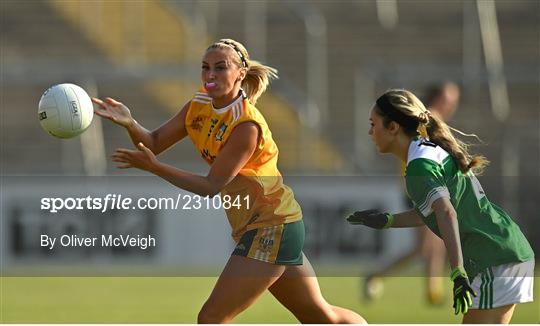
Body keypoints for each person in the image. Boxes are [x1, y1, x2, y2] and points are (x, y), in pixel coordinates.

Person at [92, 39, 366, 324]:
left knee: (211, 318)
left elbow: (211, 186)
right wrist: (129, 123)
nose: (210, 75)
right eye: (205, 68)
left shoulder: (246, 125)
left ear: (240, 73)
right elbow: (154, 141)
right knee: (323, 317)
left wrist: (154, 168)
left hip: (272, 226)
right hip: (266, 227)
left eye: (220, 68)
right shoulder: (198, 104)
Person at [347, 89, 534, 323]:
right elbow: (433, 212)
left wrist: (457, 272)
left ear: (393, 127)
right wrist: (388, 220)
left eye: (373, 124)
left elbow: (446, 212)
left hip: (492, 257)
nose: (370, 132)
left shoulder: (418, 167)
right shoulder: (427, 150)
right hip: (504, 250)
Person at [363, 82, 460, 305]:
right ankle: (377, 275)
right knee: (423, 247)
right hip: (420, 187)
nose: (452, 104)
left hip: (420, 186)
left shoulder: (429, 119)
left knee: (436, 245)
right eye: (449, 98)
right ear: (438, 97)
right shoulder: (427, 119)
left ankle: (432, 292)